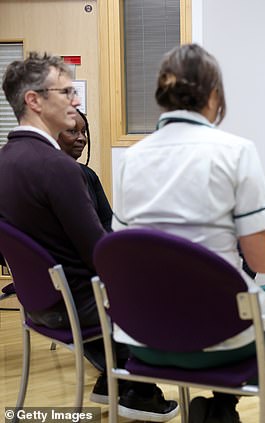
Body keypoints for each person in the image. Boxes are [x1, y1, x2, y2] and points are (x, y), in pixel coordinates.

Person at [112, 43, 265, 423]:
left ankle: (218, 409)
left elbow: (122, 249)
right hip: (220, 339)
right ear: (214, 94)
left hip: (142, 338)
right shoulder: (236, 151)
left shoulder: (131, 159)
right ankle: (222, 406)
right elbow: (260, 259)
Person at [0, 52, 178, 421]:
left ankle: (112, 383)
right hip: (80, 307)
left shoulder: (6, 160)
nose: (76, 100)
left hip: (40, 305)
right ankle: (142, 391)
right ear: (33, 100)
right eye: (65, 92)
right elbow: (101, 253)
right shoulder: (59, 168)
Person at [57, 108, 113, 232]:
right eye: (72, 131)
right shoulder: (45, 175)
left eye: (83, 132)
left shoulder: (89, 175)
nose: (82, 138)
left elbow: (108, 221)